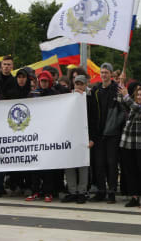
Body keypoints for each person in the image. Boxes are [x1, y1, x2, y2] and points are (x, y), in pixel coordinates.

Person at [89, 63, 125, 203]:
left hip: (112, 134)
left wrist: (115, 125)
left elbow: (124, 110)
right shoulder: (95, 89)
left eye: (106, 72)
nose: (104, 75)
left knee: (111, 163)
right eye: (102, 72)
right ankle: (101, 190)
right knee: (98, 164)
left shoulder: (117, 89)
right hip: (98, 134)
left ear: (111, 74)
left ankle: (111, 192)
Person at [26, 71, 59, 202]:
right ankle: (35, 191)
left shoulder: (55, 94)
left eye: (46, 81)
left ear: (49, 81)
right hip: (35, 134)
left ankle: (48, 192)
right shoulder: (32, 94)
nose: (44, 83)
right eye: (42, 81)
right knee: (35, 166)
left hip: (49, 134)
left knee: (48, 166)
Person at [62, 75, 94, 204]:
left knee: (82, 165)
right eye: (77, 84)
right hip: (69, 136)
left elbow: (94, 120)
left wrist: (93, 138)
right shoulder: (67, 99)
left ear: (86, 85)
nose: (79, 87)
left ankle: (82, 192)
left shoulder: (90, 99)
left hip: (84, 137)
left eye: (81, 84)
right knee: (69, 164)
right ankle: (72, 191)